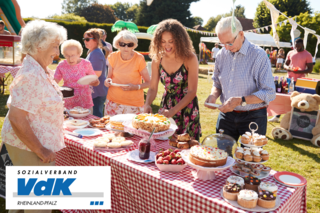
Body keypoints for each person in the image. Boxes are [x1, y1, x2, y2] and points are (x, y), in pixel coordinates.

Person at [1, 20, 67, 213]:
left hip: (31, 143)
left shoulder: (39, 69)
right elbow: (17, 118)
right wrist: (40, 150)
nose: (57, 52)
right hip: (30, 146)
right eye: (55, 46)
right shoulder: (31, 74)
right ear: (40, 45)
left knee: (23, 199)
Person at [205, 17, 275, 141]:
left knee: (250, 159)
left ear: (241, 34)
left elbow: (269, 93)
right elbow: (217, 82)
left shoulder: (259, 55)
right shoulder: (221, 55)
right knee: (223, 156)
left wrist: (241, 100)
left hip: (253, 116)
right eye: (223, 43)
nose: (226, 47)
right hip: (226, 115)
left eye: (229, 43)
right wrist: (213, 95)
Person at [144, 19, 202, 140]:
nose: (167, 45)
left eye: (171, 41)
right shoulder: (157, 59)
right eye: (163, 41)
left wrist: (174, 110)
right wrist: (148, 103)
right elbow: (153, 87)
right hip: (166, 106)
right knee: (164, 146)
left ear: (179, 40)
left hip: (187, 108)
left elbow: (192, 91)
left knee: (187, 147)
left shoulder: (190, 58)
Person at [104, 30, 150, 115]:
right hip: (113, 102)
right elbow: (109, 77)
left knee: (131, 128)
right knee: (110, 127)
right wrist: (107, 82)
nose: (126, 48)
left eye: (129, 45)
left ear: (134, 46)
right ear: (117, 44)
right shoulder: (112, 57)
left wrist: (136, 87)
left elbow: (149, 83)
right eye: (122, 44)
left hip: (133, 104)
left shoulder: (139, 58)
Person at [269, 38, 313, 122]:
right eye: (295, 46)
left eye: (298, 46)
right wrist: (288, 68)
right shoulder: (290, 52)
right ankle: (277, 117)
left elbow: (310, 69)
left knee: (298, 100)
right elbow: (285, 64)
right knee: (284, 98)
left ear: (302, 45)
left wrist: (299, 71)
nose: (296, 48)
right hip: (289, 79)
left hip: (300, 81)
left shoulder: (308, 54)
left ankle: (296, 119)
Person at [54, 39, 99, 110]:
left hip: (84, 100)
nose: (70, 59)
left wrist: (95, 82)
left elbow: (95, 81)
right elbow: (54, 82)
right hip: (68, 101)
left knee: (86, 120)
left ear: (79, 54)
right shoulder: (61, 65)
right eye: (67, 55)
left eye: (73, 55)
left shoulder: (86, 64)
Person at [84, 28, 108, 117]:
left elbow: (96, 74)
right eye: (84, 39)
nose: (85, 41)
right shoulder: (93, 52)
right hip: (96, 90)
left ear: (96, 40)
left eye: (87, 39)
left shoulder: (96, 53)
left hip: (97, 91)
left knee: (96, 117)